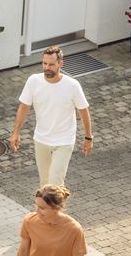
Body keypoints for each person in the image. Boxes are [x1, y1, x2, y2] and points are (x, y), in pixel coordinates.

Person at [9, 46, 93, 187]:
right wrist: (16, 132)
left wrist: (88, 138)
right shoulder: (33, 81)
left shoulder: (72, 86)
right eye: (44, 63)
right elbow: (24, 107)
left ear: (60, 64)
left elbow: (83, 111)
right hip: (41, 139)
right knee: (45, 184)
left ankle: (55, 208)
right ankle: (46, 209)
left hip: (64, 141)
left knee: (55, 185)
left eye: (51, 64)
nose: (47, 67)